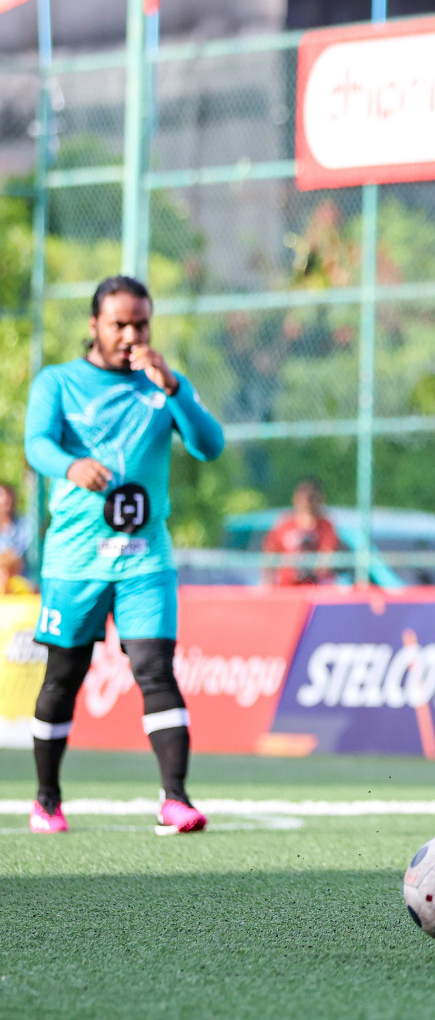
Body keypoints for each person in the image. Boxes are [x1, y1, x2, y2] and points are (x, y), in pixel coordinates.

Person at [24, 275, 225, 835]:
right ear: (94, 325)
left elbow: (210, 446)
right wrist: (69, 465)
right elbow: (35, 442)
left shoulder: (162, 384)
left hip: (144, 562)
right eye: (119, 324)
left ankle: (176, 799)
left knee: (155, 670)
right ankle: (46, 799)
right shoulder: (58, 382)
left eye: (140, 323)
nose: (131, 334)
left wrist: (175, 389)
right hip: (75, 562)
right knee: (63, 677)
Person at [263, 477, 341, 585]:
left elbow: (326, 557)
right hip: (288, 587)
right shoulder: (285, 525)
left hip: (315, 587)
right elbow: (270, 554)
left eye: (312, 498)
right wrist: (267, 583)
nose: (307, 503)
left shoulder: (325, 527)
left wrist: (312, 568)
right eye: (303, 498)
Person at [0, 482, 35, 575]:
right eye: (2, 505)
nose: (5, 509)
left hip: (22, 580)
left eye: (7, 503)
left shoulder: (24, 525)